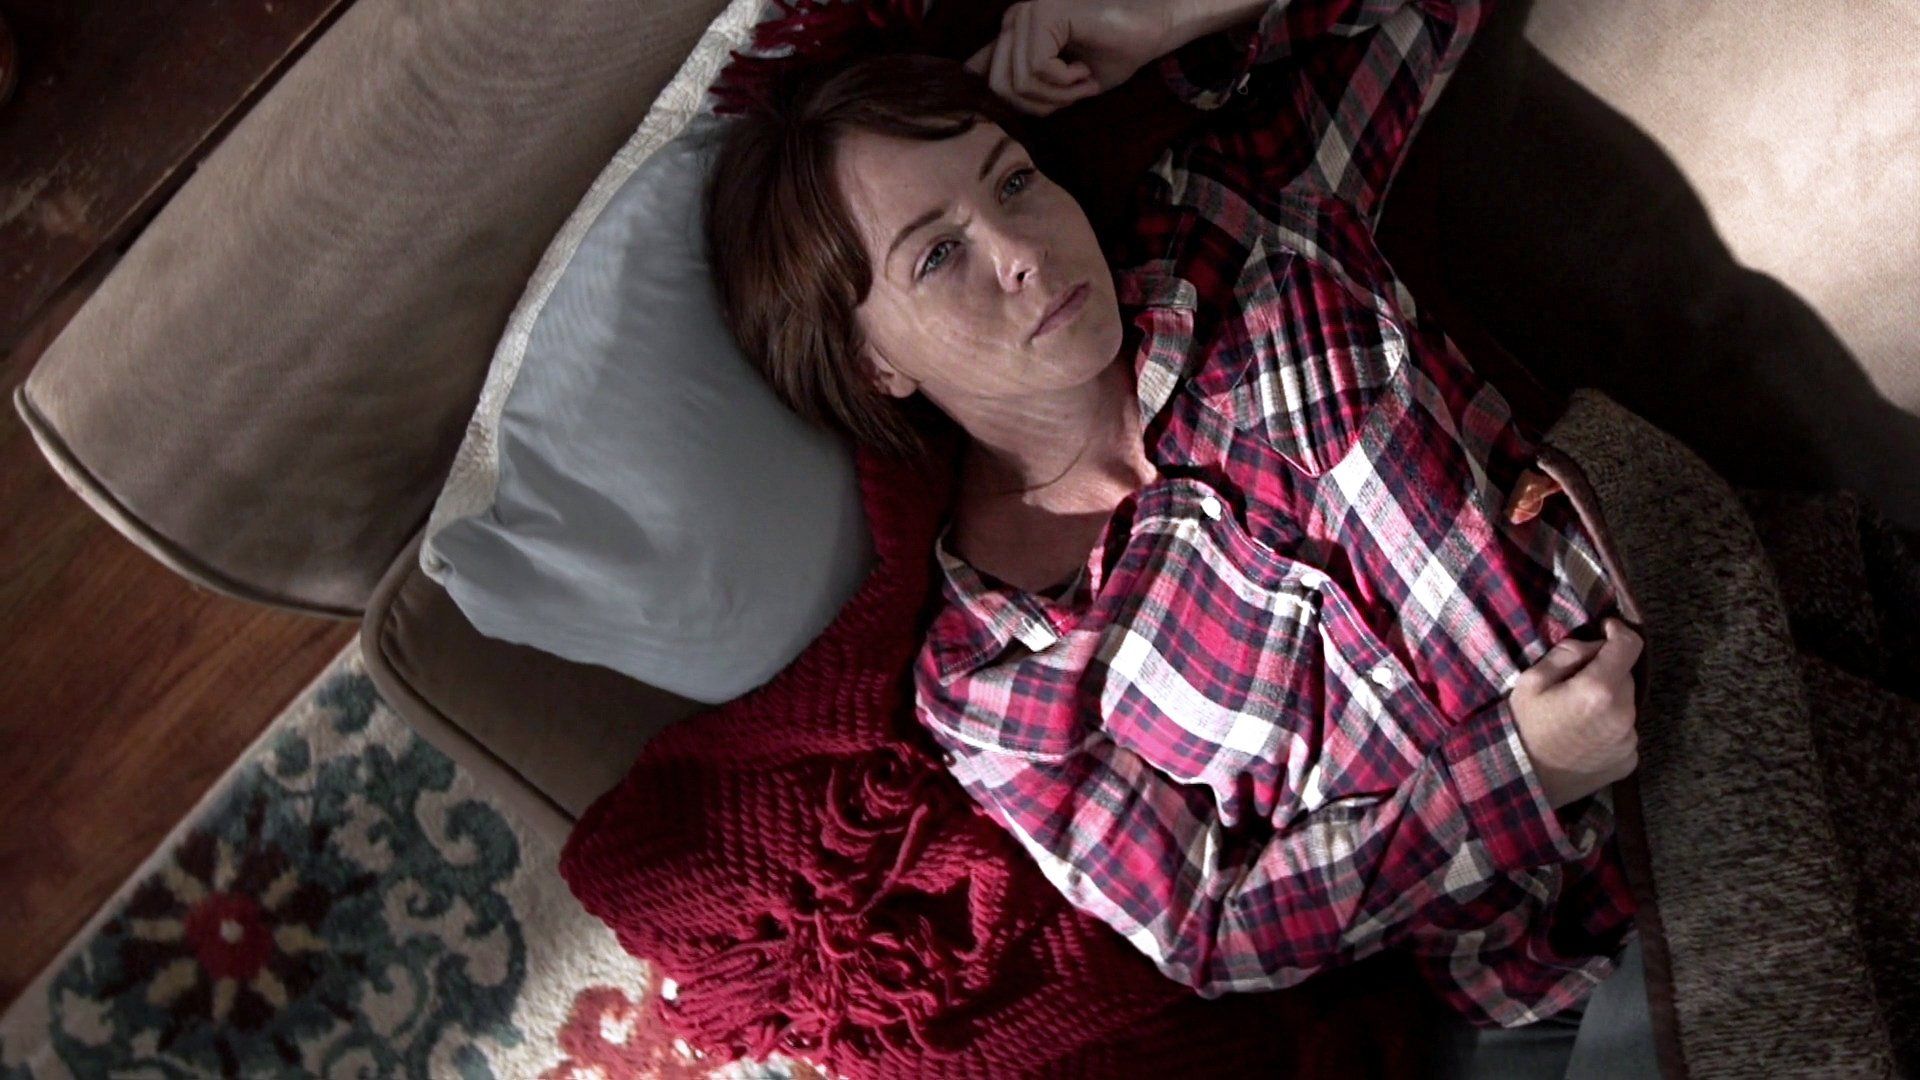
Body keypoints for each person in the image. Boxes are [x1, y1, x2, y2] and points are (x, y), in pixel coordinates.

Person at [704, 0, 1660, 1074]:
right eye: (936, 256)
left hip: (1698, 705)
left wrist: (1149, 18)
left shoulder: (1232, 215)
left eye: (1013, 181)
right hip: (1532, 974)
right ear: (871, 362)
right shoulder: (990, 679)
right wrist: (1521, 774)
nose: (1020, 251)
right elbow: (1211, 926)